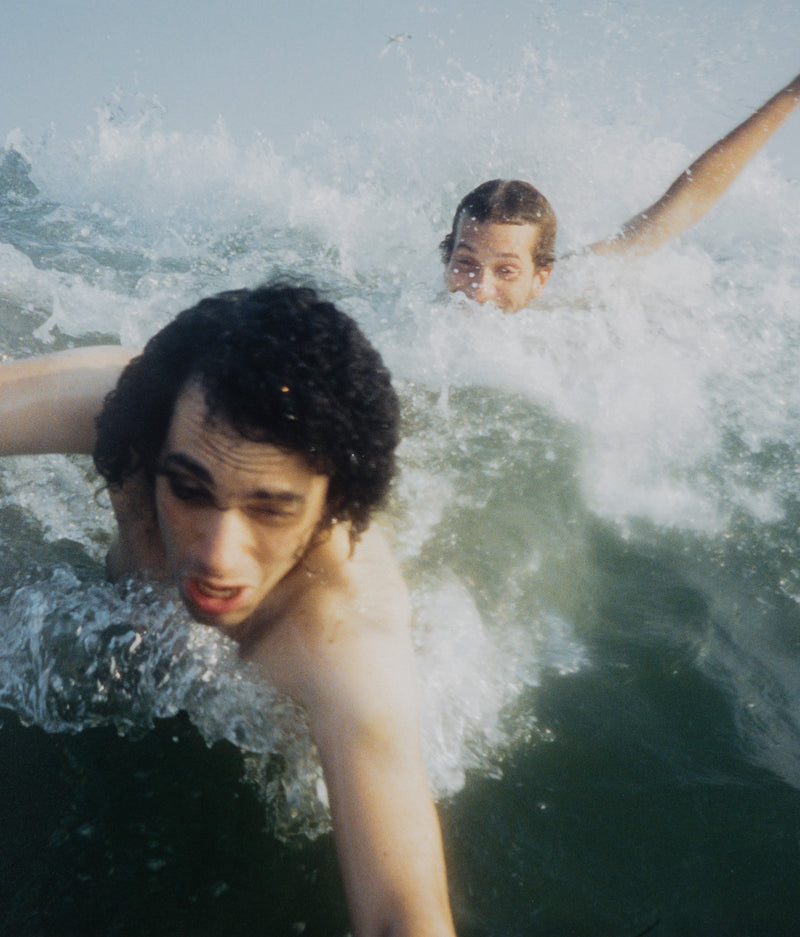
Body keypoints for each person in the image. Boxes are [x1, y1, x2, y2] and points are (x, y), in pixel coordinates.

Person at [0, 283, 457, 937]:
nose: (216, 555)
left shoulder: (345, 638)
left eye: (270, 508)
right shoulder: (134, 412)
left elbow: (401, 917)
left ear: (332, 504)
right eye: (187, 489)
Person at [442, 70, 800, 313]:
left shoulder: (567, 295)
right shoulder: (415, 326)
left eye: (506, 271)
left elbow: (689, 200)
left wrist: (792, 94)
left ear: (541, 278)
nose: (479, 291)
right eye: (465, 264)